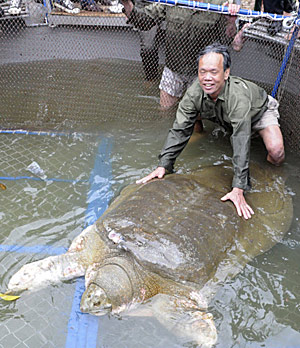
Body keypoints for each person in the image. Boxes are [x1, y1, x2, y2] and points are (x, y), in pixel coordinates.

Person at [136, 43, 285, 220]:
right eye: (202, 72)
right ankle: (201, 134)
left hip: (258, 111)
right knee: (191, 112)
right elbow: (179, 129)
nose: (207, 78)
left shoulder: (238, 98)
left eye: (214, 72)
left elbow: (241, 139)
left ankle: (270, 175)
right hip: (220, 112)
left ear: (226, 73)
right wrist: (164, 165)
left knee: (276, 152)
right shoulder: (194, 93)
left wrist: (238, 188)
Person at [121, 0, 241, 111]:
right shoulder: (173, 1)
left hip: (201, 72)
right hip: (173, 68)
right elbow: (143, 21)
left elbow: (226, 41)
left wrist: (230, 22)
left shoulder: (220, 3)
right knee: (164, 112)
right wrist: (126, 3)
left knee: (196, 120)